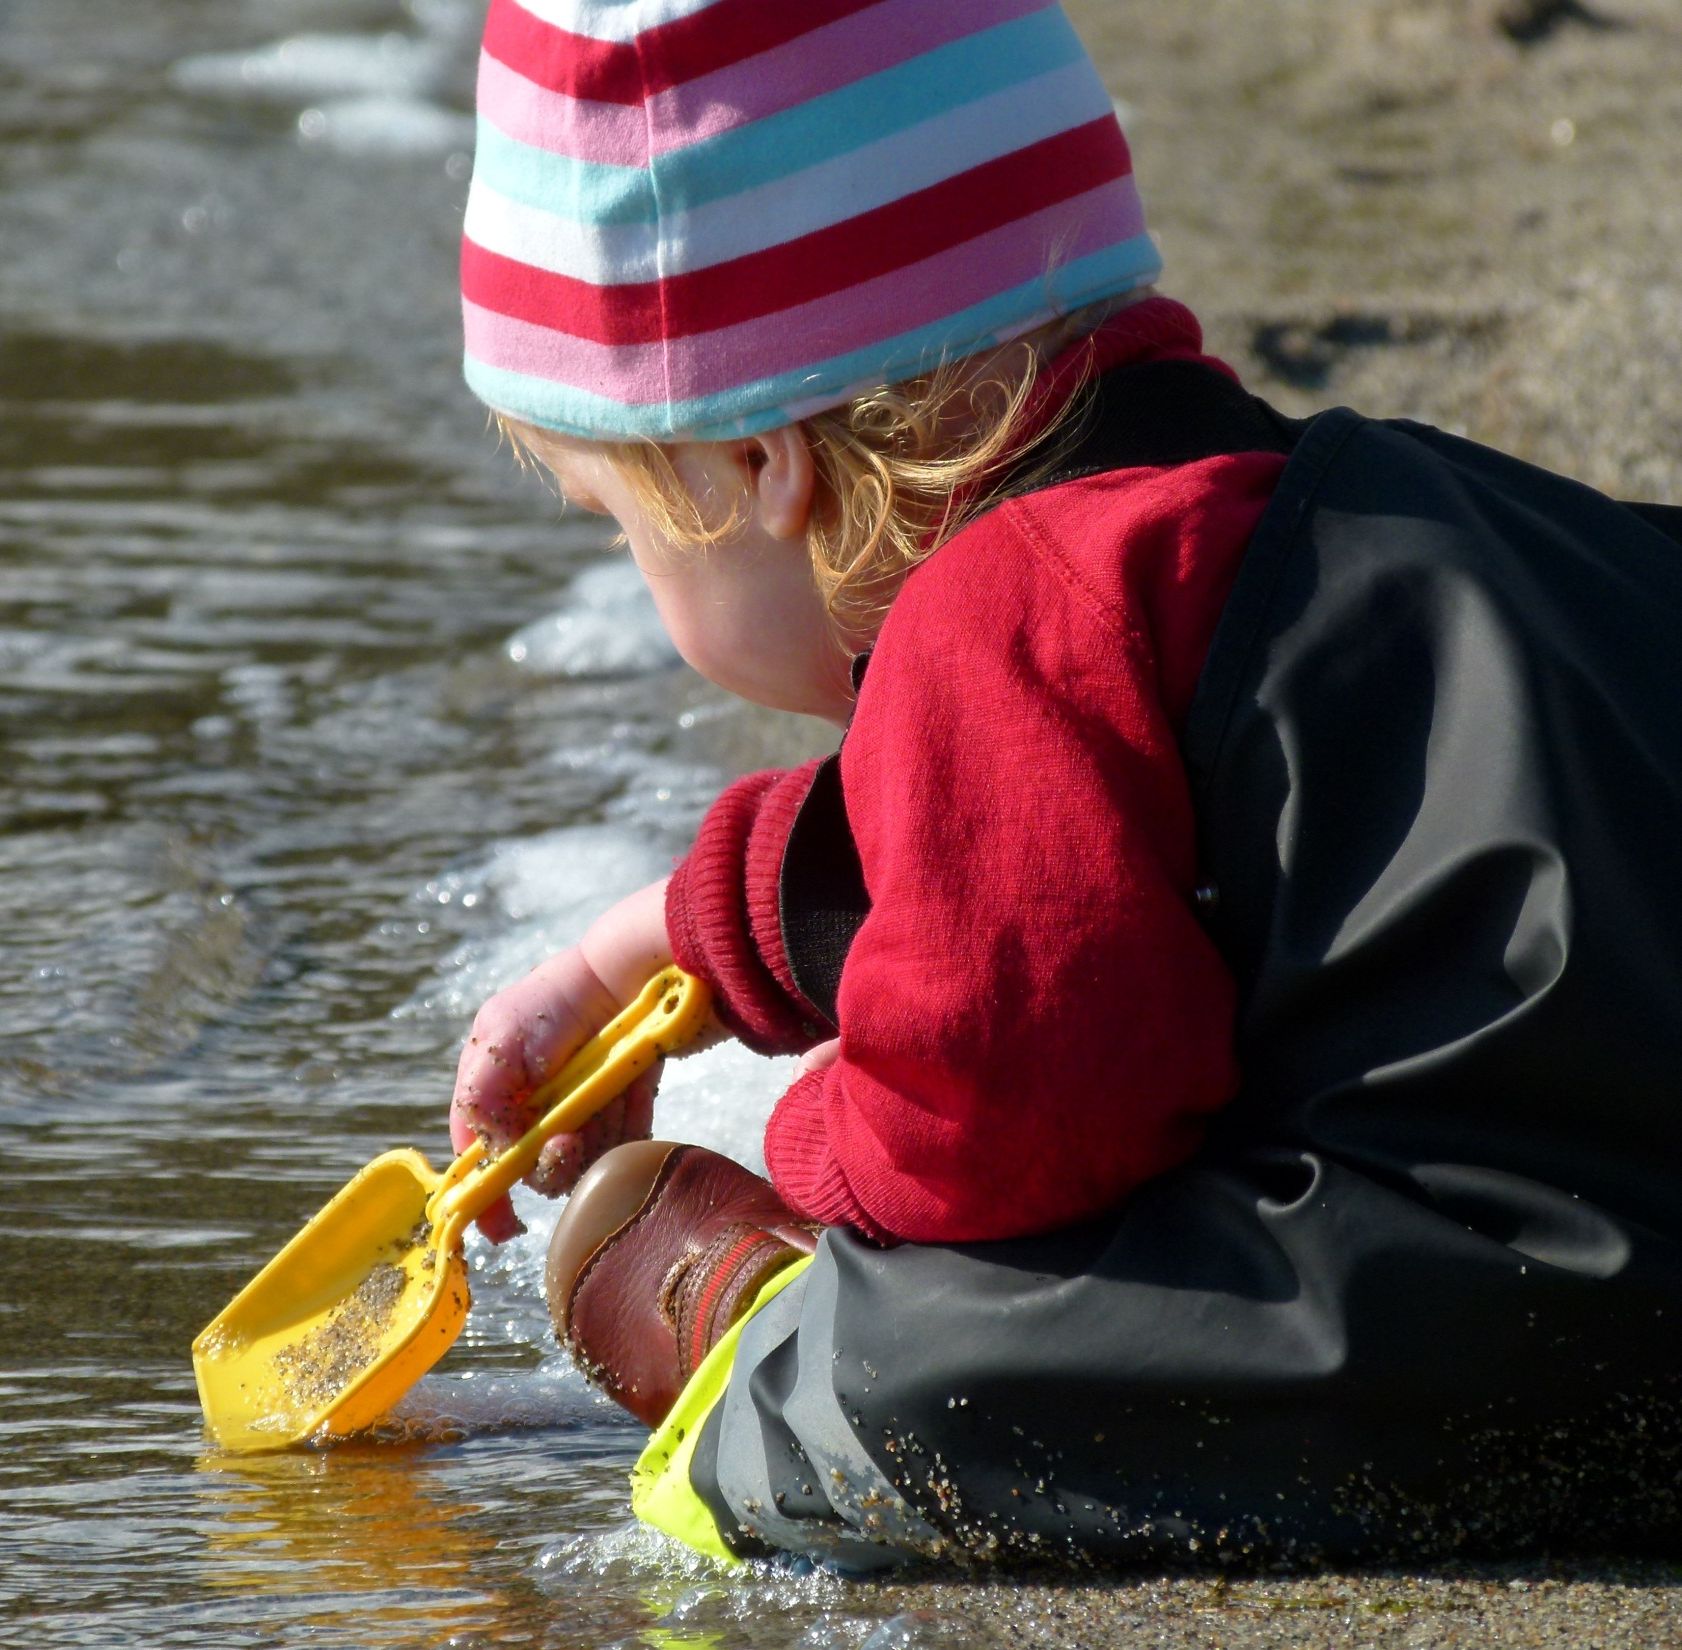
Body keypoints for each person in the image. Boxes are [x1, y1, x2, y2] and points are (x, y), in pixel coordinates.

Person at [447, 0, 1682, 1569]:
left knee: (922, 1359)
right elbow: (1053, 828)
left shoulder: (1010, 611)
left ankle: (762, 1348)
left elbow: (997, 1138)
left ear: (761, 462)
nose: (631, 561)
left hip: (1549, 1323)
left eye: (613, 513)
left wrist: (812, 1158)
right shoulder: (1340, 520)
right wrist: (663, 942)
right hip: (1614, 1173)